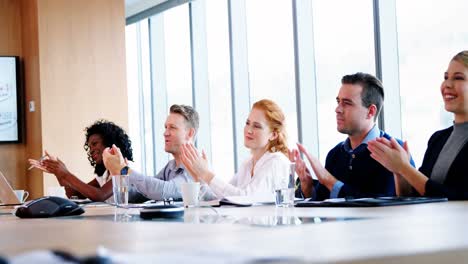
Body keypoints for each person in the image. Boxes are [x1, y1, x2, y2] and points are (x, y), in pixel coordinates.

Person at [293, 72, 414, 200]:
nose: (338, 109)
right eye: (338, 101)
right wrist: (307, 186)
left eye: (347, 103)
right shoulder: (335, 154)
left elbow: (382, 207)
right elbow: (322, 206)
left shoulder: (394, 153)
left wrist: (328, 180)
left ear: (370, 111)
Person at [368, 51, 468, 200]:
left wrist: (405, 168)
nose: (447, 84)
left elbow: (456, 198)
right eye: (446, 77)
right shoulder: (438, 139)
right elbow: (417, 196)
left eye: (458, 78)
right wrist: (399, 172)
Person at [179, 99, 290, 198]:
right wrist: (199, 177)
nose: (249, 130)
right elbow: (221, 198)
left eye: (256, 126)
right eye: (248, 123)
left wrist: (206, 174)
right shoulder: (248, 164)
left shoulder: (276, 161)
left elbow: (246, 198)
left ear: (273, 135)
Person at [102, 104, 198, 201]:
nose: (165, 133)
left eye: (172, 127)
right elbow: (142, 193)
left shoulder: (196, 166)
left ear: (190, 133)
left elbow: (163, 191)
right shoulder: (170, 167)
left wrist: (124, 169)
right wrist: (119, 174)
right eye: (166, 127)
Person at [28, 120, 137, 202]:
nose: (92, 150)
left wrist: (65, 174)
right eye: (89, 147)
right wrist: (59, 173)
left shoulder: (126, 167)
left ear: (110, 143)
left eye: (94, 144)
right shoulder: (104, 174)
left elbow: (100, 195)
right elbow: (75, 195)